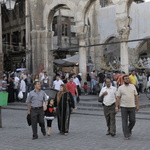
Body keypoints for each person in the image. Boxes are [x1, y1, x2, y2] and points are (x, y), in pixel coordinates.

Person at [116, 75, 139, 140]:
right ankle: (126, 134)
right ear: (123, 80)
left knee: (133, 120)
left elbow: (136, 96)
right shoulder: (120, 88)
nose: (127, 80)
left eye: (128, 79)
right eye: (126, 79)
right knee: (124, 121)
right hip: (123, 107)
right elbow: (118, 97)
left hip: (132, 106)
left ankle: (128, 130)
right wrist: (116, 106)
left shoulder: (133, 86)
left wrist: (137, 105)